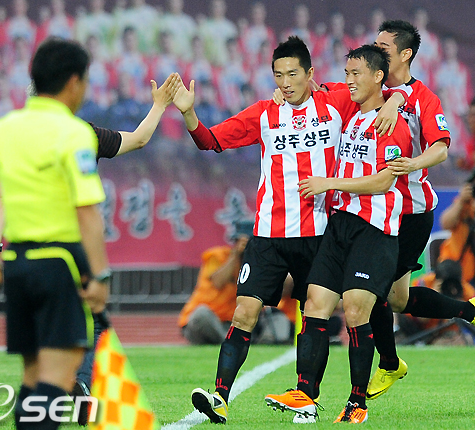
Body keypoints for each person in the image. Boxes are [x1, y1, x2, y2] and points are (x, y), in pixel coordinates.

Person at [172, 36, 405, 424]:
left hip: (319, 231)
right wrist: (189, 114)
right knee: (244, 312)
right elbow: (210, 141)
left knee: (315, 312)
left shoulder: (336, 103)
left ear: (310, 73)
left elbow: (377, 91)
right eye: (278, 75)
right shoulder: (265, 112)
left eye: (293, 74)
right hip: (268, 233)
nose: (285, 82)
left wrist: (396, 101)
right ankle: (220, 397)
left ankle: (306, 397)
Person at [0, 70, 180, 426]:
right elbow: (138, 141)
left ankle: (42, 401)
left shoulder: (11, 135)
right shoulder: (82, 135)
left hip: (23, 256)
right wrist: (158, 106)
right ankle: (79, 384)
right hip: (67, 251)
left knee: (36, 352)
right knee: (92, 322)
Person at [265, 44, 412, 424]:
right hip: (340, 224)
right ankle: (305, 395)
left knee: (356, 309)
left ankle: (356, 402)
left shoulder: (391, 122)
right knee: (315, 302)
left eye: (355, 74)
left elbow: (383, 181)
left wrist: (329, 182)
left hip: (374, 229)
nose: (348, 81)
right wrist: (284, 93)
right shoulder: (351, 116)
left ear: (378, 76)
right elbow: (312, 91)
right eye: (346, 73)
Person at [0, 37, 108, 430]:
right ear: (73, 83)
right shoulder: (74, 133)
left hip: (16, 265)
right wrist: (100, 275)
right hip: (60, 263)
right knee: (61, 375)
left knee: (33, 376)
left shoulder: (2, 130)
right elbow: (88, 212)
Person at [366, 20, 475, 402]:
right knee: (396, 299)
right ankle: (469, 310)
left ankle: (389, 363)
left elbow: (441, 147)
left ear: (405, 53)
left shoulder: (424, 98)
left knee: (373, 289)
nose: (375, 50)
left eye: (383, 47)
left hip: (409, 212)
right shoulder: (371, 88)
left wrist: (413, 164)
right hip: (374, 207)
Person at [178, 221, 253, 345]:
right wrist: (235, 255)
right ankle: (230, 343)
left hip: (231, 323)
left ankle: (233, 341)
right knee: (202, 313)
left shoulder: (255, 263)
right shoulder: (217, 256)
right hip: (206, 321)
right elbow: (218, 282)